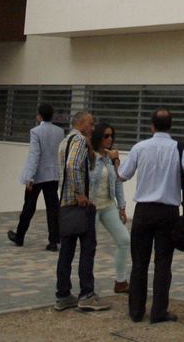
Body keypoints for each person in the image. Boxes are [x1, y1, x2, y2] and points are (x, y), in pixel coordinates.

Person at [116, 107, 184, 325]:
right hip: (168, 212)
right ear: (170, 126)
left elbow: (122, 175)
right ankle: (159, 311)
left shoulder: (140, 147)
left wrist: (116, 161)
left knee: (139, 262)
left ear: (151, 126)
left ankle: (136, 311)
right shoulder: (180, 148)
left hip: (144, 210)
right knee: (163, 263)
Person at [52, 110, 109, 313]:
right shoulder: (79, 141)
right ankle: (87, 294)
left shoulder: (64, 142)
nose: (93, 128)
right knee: (87, 249)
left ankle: (63, 295)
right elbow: (73, 166)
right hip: (80, 205)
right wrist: (80, 192)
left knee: (66, 252)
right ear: (82, 123)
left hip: (65, 204)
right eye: (90, 124)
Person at [7, 103, 65, 251]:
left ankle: (20, 236)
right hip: (53, 174)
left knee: (29, 206)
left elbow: (34, 155)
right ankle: (54, 240)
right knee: (53, 208)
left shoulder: (35, 131)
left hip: (38, 175)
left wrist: (29, 177)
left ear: (39, 116)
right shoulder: (60, 132)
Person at [89, 120, 130, 294]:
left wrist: (122, 207)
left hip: (107, 204)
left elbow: (118, 181)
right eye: (106, 136)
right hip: (91, 206)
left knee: (124, 239)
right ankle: (87, 286)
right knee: (90, 245)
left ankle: (120, 281)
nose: (110, 139)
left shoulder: (110, 158)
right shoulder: (90, 156)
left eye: (112, 136)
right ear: (98, 137)